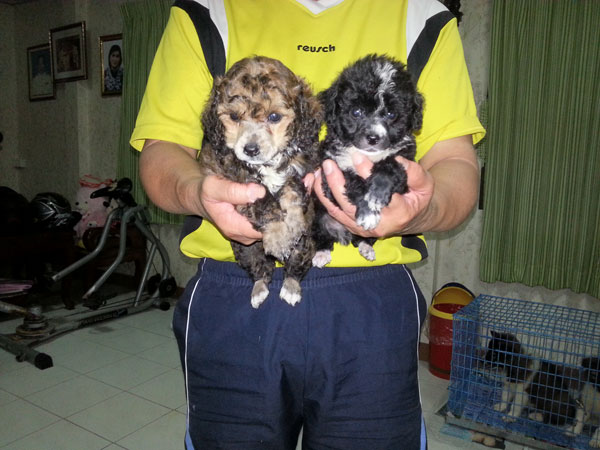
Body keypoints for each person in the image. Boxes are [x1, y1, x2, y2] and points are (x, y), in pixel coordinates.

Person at [130, 0, 485, 448]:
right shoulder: (206, 9)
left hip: (369, 296)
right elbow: (161, 150)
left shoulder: (424, 14)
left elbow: (456, 163)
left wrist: (421, 211)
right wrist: (196, 192)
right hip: (236, 283)